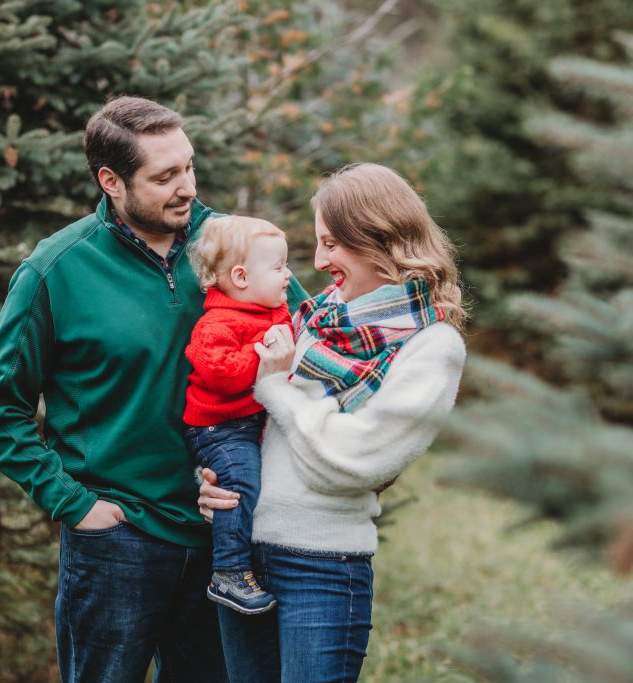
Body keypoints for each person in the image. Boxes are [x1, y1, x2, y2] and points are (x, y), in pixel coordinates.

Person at [0, 95, 308, 682]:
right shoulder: (57, 269)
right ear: (111, 181)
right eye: (165, 176)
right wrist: (76, 506)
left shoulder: (236, 248)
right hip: (116, 543)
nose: (187, 188)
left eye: (190, 167)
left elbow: (312, 351)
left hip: (226, 539)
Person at [199, 162, 467, 682]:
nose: (319, 261)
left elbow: (352, 459)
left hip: (322, 567)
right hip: (244, 561)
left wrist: (275, 387)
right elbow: (249, 427)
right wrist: (216, 481)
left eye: (332, 244)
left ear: (378, 239)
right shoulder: (316, 317)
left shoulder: (432, 346)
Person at [181, 215, 293, 615]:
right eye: (279, 267)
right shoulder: (219, 322)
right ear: (241, 277)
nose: (288, 275)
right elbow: (221, 373)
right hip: (218, 428)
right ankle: (228, 572)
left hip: (249, 424)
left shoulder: (272, 312)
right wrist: (267, 358)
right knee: (238, 485)